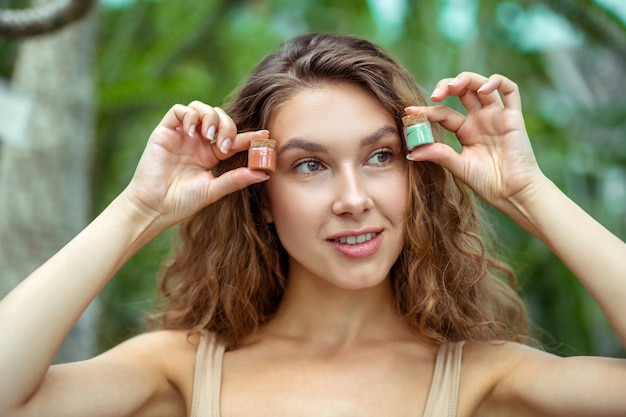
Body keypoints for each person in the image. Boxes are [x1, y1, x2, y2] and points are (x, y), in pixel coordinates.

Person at [0, 32, 624, 417]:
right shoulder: (181, 369)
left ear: (416, 175)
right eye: (310, 166)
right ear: (262, 195)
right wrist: (142, 208)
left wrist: (528, 192)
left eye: (381, 157)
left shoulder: (485, 376)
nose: (353, 198)